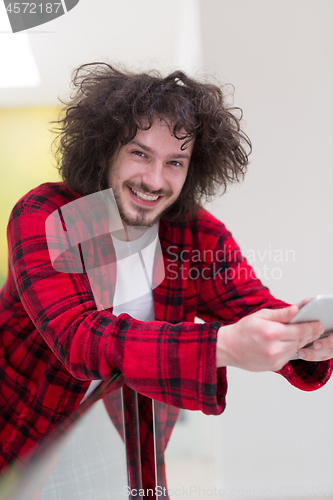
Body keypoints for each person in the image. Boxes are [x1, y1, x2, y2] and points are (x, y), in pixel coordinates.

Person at [0, 63, 332, 494]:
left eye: (175, 161)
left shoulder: (193, 232)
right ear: (105, 151)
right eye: (140, 154)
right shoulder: (49, 215)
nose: (154, 181)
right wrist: (223, 346)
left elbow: (254, 305)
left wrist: (308, 336)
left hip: (122, 436)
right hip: (24, 428)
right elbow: (81, 338)